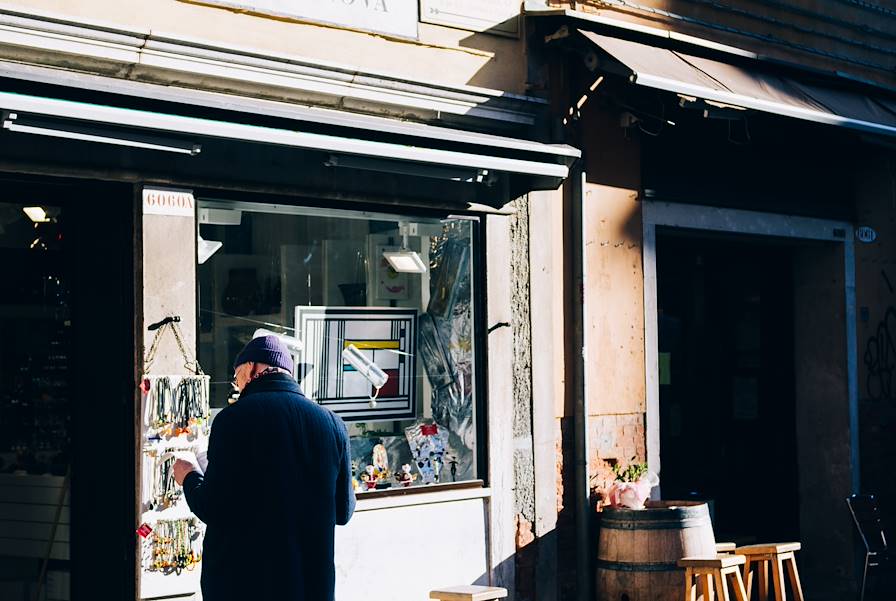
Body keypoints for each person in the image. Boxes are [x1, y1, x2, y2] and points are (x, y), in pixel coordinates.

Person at [173, 335, 355, 601]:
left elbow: (213, 506)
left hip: (245, 583)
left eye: (238, 377)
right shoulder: (332, 424)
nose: (238, 386)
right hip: (310, 585)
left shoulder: (233, 420)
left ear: (252, 367)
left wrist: (188, 476)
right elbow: (343, 512)